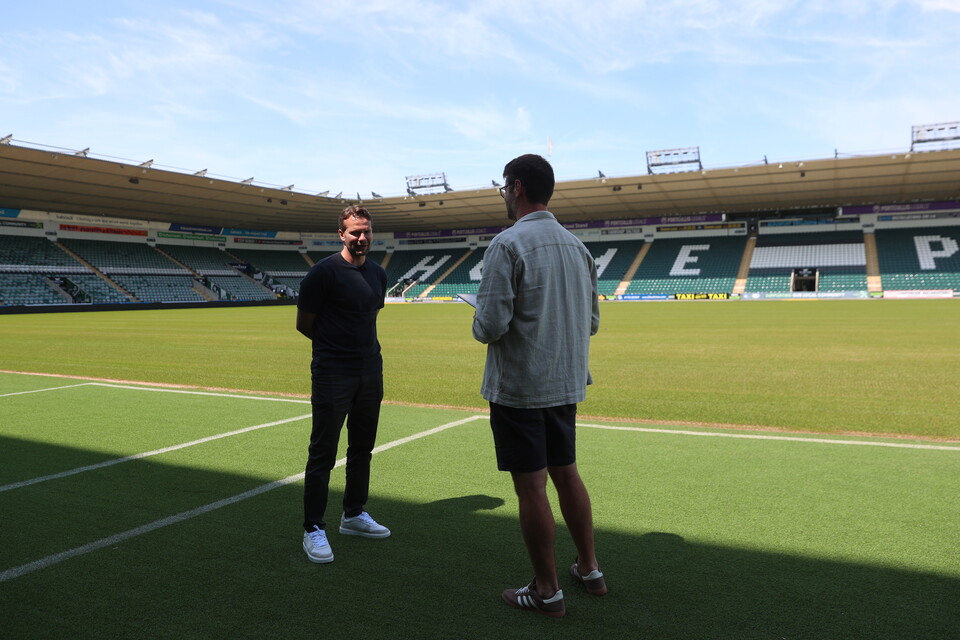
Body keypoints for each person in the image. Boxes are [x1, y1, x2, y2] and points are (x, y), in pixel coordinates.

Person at [473, 154, 605, 618]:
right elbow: (590, 323)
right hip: (565, 385)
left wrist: (475, 315)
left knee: (531, 489)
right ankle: (588, 568)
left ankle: (547, 590)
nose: (504, 197)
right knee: (567, 472)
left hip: (522, 388)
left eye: (504, 189)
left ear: (518, 187)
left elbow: (489, 326)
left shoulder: (507, 245)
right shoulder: (579, 249)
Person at [296, 205, 391, 564]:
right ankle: (312, 529)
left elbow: (368, 317)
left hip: (370, 370)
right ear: (341, 234)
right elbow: (305, 323)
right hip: (333, 372)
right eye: (355, 232)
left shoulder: (377, 276)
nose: (362, 238)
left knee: (362, 449)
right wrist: (334, 351)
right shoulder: (322, 274)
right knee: (323, 453)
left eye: (366, 231)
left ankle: (353, 514)